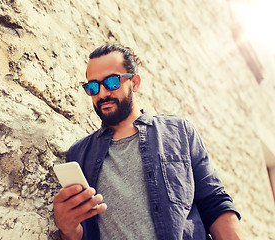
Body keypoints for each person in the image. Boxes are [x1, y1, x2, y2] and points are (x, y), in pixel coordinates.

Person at [53, 44, 244, 240]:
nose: (102, 94)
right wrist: (67, 228)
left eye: (112, 82)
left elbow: (215, 202)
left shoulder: (179, 131)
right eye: (92, 87)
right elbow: (82, 233)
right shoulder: (79, 154)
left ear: (135, 83)